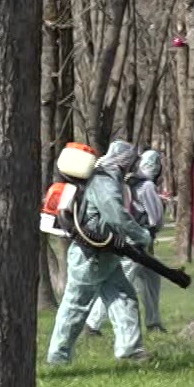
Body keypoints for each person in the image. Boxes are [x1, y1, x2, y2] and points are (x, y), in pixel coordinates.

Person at [48, 141, 150, 364]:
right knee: (75, 306)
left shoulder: (107, 178)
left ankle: (130, 350)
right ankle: (58, 356)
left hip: (106, 256)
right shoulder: (104, 182)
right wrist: (141, 235)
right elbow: (117, 216)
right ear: (125, 161)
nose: (134, 166)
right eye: (133, 161)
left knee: (124, 297)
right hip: (90, 257)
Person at [88, 146, 167, 334]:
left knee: (152, 279)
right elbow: (155, 218)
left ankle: (154, 322)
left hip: (135, 240)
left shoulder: (129, 182)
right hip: (137, 242)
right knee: (118, 283)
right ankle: (92, 324)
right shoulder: (147, 186)